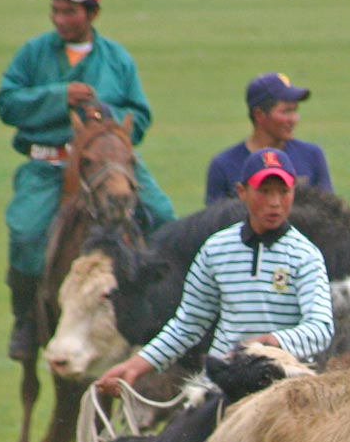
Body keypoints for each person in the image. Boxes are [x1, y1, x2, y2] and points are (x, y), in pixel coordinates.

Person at [0, 0, 176, 359]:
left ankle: (163, 313)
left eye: (70, 12)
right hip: (51, 164)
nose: (60, 19)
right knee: (26, 233)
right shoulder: (33, 53)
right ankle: (26, 319)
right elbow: (7, 103)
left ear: (91, 14)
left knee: (163, 214)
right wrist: (59, 95)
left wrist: (106, 117)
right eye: (56, 11)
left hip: (108, 161)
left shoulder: (117, 59)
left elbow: (139, 117)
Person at [94, 148, 332, 395]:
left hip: (284, 385)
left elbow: (320, 328)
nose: (275, 203)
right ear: (242, 193)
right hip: (224, 381)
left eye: (284, 192)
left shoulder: (305, 255)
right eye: (264, 191)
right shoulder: (216, 249)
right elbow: (189, 323)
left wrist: (269, 343)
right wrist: (136, 365)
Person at [203, 72, 334, 205]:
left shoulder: (312, 155)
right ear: (259, 114)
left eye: (295, 111)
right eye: (286, 111)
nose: (294, 119)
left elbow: (329, 213)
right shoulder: (223, 165)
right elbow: (215, 221)